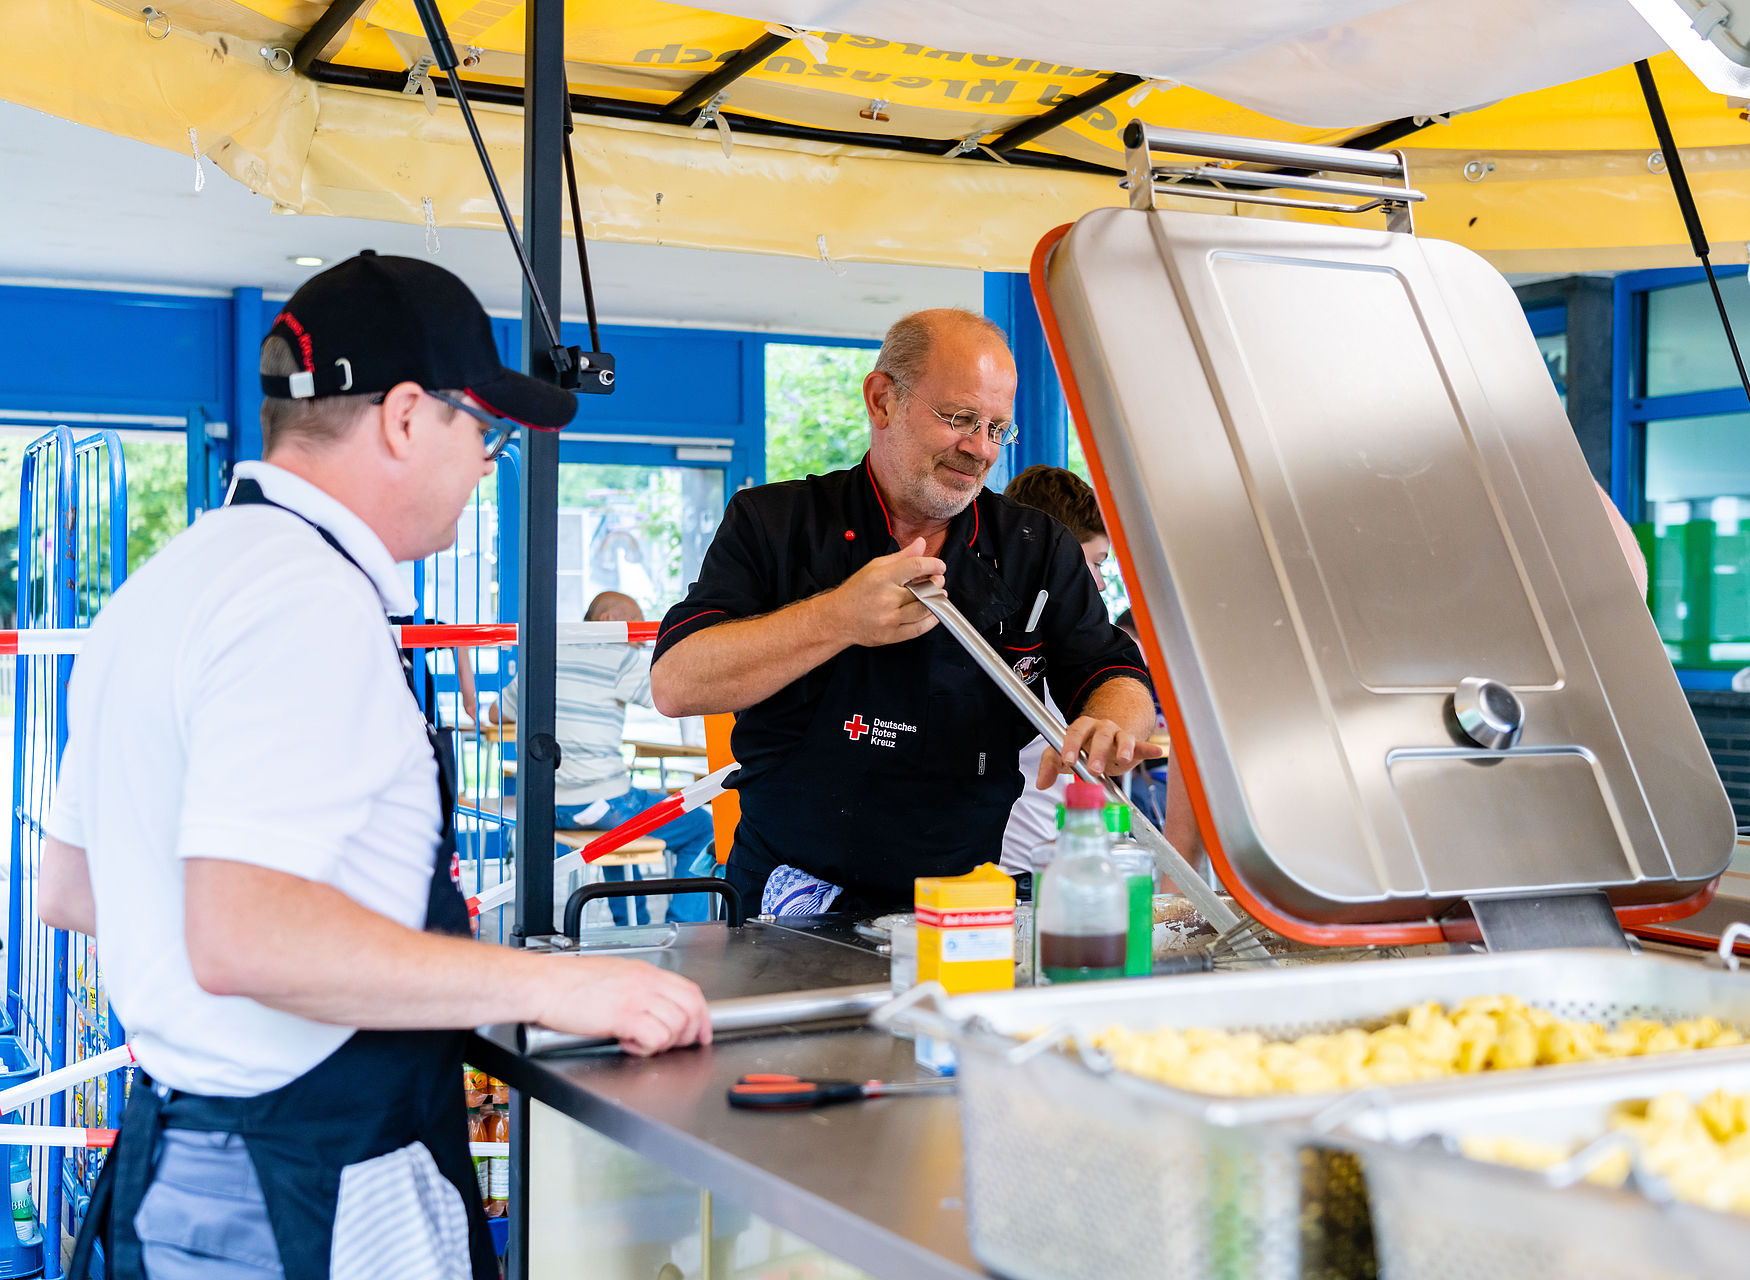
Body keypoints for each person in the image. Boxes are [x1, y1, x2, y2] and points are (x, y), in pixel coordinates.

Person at [38, 251, 709, 1280]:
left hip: (180, 1171)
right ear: (405, 417)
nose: (488, 461)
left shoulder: (164, 585)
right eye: (481, 430)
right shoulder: (305, 603)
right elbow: (244, 935)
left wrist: (383, 933)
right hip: (309, 1187)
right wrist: (562, 988)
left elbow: (78, 889)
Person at [650, 309, 1160, 916]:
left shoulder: (1035, 547)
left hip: (966, 897)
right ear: (882, 399)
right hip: (794, 897)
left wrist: (1112, 722)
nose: (980, 449)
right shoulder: (774, 523)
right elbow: (676, 684)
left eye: (998, 428)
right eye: (960, 419)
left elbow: (1108, 670)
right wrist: (837, 618)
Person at [492, 590, 715, 926]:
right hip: (603, 804)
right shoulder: (618, 660)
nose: (644, 635)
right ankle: (683, 926)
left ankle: (632, 923)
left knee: (620, 829)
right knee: (702, 827)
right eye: (638, 624)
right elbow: (674, 698)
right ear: (609, 622)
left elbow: (497, 713)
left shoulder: (546, 657)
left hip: (547, 807)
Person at [996, 465, 1113, 884]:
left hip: (1047, 862)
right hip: (1023, 869)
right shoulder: (1019, 649)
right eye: (1096, 563)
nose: (1099, 584)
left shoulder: (1062, 648)